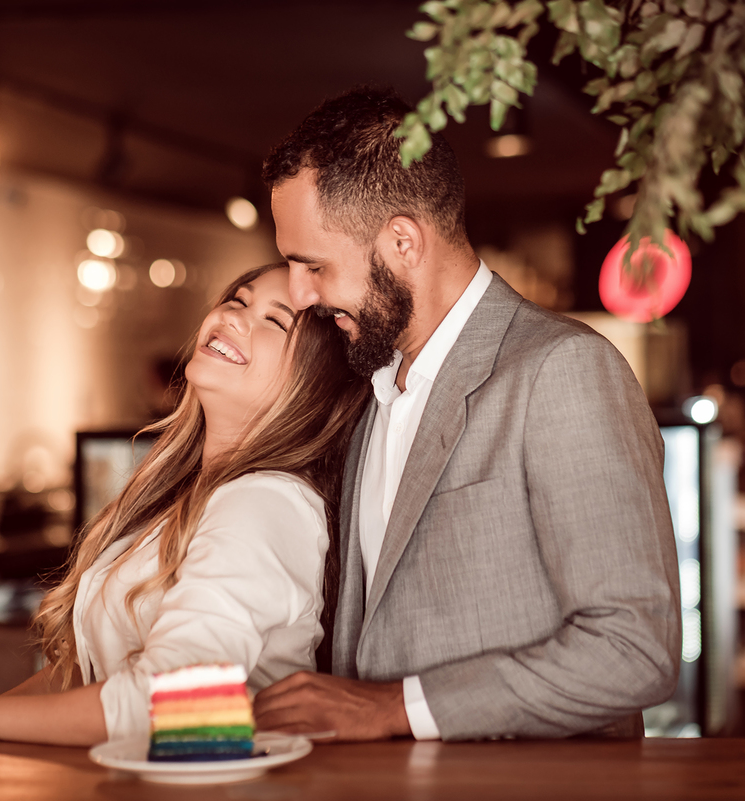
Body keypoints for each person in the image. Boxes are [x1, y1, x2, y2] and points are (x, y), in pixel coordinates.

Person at [253, 88, 681, 741]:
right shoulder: (371, 388)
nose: (300, 293)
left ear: (402, 241)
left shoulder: (562, 370)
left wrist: (393, 708)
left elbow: (635, 650)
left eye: (314, 264)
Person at [0, 264, 370, 745]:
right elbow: (88, 680)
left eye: (274, 320)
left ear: (313, 387)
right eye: (237, 299)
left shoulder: (266, 502)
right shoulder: (183, 496)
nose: (232, 316)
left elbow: (172, 707)